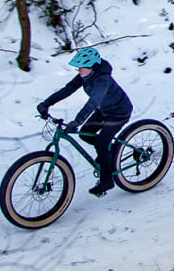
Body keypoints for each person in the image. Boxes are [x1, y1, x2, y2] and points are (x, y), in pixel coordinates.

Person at [37, 47, 133, 196]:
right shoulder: (85, 75)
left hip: (118, 113)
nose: (79, 70)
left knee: (101, 143)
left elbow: (93, 102)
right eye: (79, 67)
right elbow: (68, 89)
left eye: (83, 67)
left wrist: (77, 121)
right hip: (104, 110)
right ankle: (112, 151)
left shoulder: (102, 79)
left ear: (93, 66)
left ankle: (107, 181)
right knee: (86, 134)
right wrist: (47, 103)